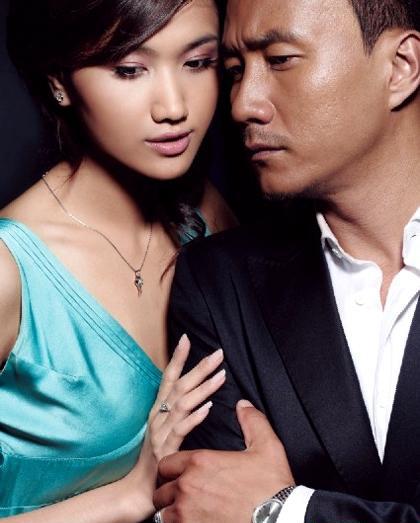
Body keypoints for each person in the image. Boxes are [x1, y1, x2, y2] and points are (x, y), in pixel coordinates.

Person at [152, 0, 420, 522]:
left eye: (279, 60)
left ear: (400, 67)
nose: (242, 104)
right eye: (235, 71)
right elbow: (209, 506)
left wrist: (285, 511)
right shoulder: (218, 285)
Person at [0, 0, 235, 520]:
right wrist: (133, 492)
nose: (174, 106)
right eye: (130, 69)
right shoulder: (9, 270)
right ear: (59, 82)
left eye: (198, 63)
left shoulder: (208, 216)